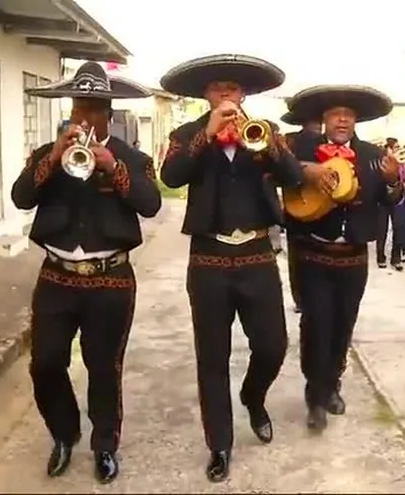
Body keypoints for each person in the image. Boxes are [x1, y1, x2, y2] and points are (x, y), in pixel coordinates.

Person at [158, 54, 315, 483]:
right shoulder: (185, 133)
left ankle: (253, 395)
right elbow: (170, 177)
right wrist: (207, 134)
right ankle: (220, 445)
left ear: (244, 94)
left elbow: (291, 176)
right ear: (205, 95)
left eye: (232, 88)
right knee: (212, 356)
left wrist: (264, 143)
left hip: (257, 255)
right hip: (208, 258)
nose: (225, 94)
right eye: (216, 88)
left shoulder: (266, 132)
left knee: (272, 344)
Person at [11, 62, 161, 484]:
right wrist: (55, 159)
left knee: (103, 366)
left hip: (110, 280)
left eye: (94, 108)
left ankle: (104, 445)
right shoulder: (49, 153)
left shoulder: (134, 159)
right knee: (45, 362)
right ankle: (64, 433)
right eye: (80, 106)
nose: (85, 117)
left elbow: (151, 205)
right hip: (56, 277)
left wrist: (113, 166)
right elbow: (22, 197)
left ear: (109, 113)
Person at [284, 84, 402, 433]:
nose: (342, 120)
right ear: (324, 118)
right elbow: (279, 171)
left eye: (349, 116)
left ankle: (333, 383)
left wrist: (393, 181)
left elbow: (390, 200)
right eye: (336, 114)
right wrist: (309, 171)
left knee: (343, 325)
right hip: (313, 251)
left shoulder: (373, 154)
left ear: (356, 121)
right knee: (317, 322)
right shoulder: (299, 147)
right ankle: (315, 395)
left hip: (353, 255)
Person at [281, 110, 324, 312]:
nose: (316, 125)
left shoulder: (290, 141)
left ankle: (303, 299)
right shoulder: (290, 141)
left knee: (301, 256)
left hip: (308, 204)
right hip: (301, 202)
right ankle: (303, 299)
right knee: (300, 255)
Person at [375, 137, 405, 270]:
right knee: (381, 230)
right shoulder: (381, 163)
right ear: (388, 149)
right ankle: (380, 256)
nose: (398, 150)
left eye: (398, 147)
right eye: (396, 147)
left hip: (398, 201)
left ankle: (396, 258)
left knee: (399, 229)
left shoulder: (402, 164)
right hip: (382, 201)